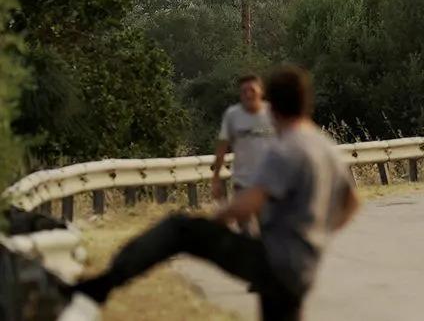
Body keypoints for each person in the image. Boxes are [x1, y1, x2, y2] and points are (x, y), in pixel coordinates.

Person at [74, 66, 360, 320]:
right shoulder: (324, 146)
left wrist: (212, 223)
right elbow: (352, 203)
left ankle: (103, 285)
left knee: (180, 230)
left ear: (271, 107)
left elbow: (244, 206)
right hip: (303, 267)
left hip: (275, 262)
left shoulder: (286, 149)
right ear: (306, 103)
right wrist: (317, 235)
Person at [213, 73, 276, 206]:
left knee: (267, 224)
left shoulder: (273, 113)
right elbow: (222, 146)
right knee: (245, 224)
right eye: (244, 91)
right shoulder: (233, 115)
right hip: (243, 182)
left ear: (261, 91)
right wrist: (216, 178)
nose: (248, 95)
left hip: (268, 183)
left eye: (252, 90)